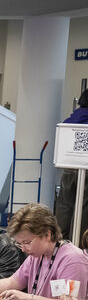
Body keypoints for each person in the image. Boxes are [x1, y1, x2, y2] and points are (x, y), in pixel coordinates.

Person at [0, 203, 88, 300]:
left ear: (47, 234)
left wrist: (28, 298)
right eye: (20, 244)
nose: (23, 249)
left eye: (27, 242)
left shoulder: (73, 260)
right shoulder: (37, 256)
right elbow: (13, 281)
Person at [54, 89, 88, 240]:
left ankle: (60, 240)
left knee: (64, 205)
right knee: (83, 207)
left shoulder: (74, 117)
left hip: (68, 166)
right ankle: (79, 243)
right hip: (85, 168)